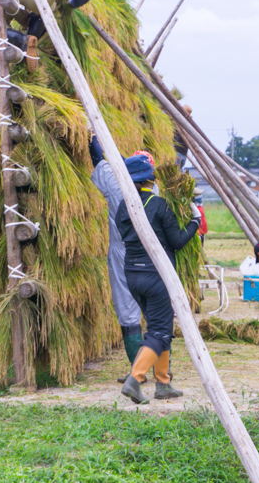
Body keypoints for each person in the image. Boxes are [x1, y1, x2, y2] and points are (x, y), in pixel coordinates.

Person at [116, 154, 201, 403]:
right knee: (160, 330)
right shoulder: (160, 204)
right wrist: (195, 222)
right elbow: (177, 241)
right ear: (150, 180)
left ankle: (163, 384)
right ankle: (135, 378)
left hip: (132, 275)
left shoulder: (123, 206)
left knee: (159, 328)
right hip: (156, 276)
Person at [88, 134, 147, 383]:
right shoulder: (153, 194)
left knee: (127, 310)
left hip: (124, 255)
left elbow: (99, 161)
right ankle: (161, 370)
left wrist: (92, 138)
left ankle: (138, 371)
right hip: (151, 257)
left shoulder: (116, 188)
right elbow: (121, 163)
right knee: (155, 312)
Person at [173, 105, 192, 170]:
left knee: (174, 170)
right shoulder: (189, 124)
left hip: (177, 152)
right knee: (178, 170)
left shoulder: (180, 123)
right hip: (183, 153)